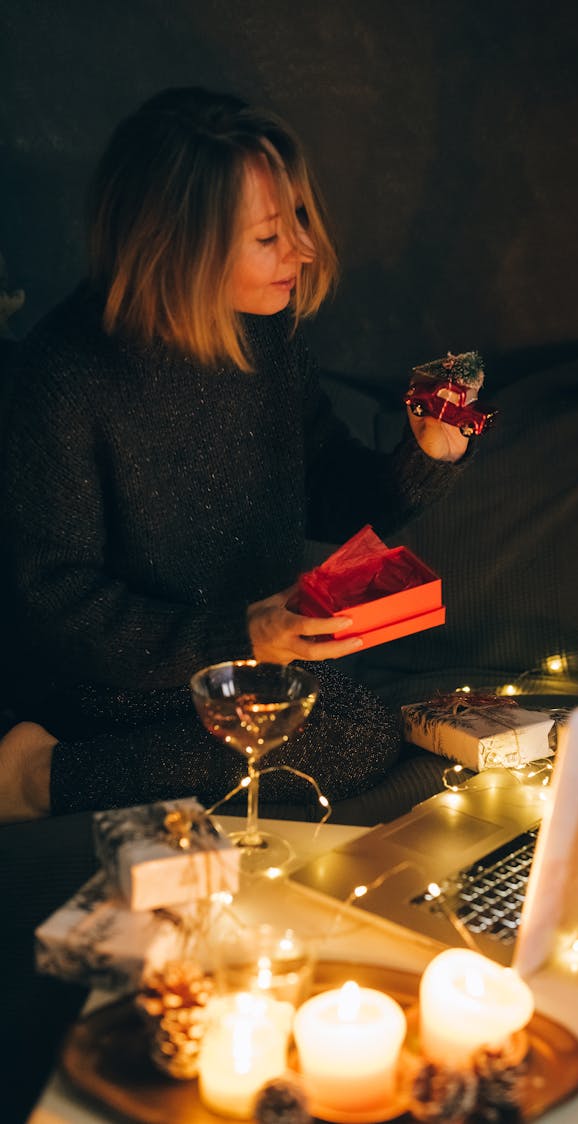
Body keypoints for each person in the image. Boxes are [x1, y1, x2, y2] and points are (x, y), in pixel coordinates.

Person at [0, 87, 478, 821]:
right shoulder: (64, 377)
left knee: (348, 714)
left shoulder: (265, 333)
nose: (305, 251)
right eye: (268, 238)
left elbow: (333, 493)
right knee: (350, 738)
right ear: (176, 245)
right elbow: (57, 609)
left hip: (251, 660)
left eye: (299, 222)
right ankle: (38, 778)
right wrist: (240, 634)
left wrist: (426, 455)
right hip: (121, 680)